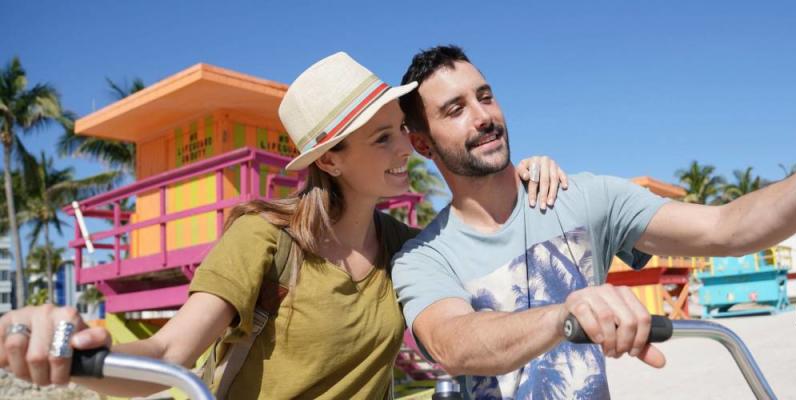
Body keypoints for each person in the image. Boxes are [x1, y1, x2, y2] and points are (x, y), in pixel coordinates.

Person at [0, 52, 568, 399]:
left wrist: (524, 176)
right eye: (383, 138)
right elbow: (172, 354)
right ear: (330, 160)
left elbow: (484, 227)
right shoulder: (265, 238)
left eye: (401, 128)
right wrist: (74, 361)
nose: (407, 147)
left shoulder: (406, 246)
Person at [391, 45, 796, 399]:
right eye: (455, 110)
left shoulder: (581, 197)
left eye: (485, 96)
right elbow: (454, 343)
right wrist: (568, 312)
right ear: (422, 144)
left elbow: (727, 229)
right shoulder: (424, 255)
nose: (482, 116)